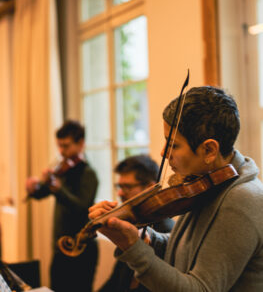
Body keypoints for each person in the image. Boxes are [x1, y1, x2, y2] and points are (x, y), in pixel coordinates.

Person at [89, 86, 263, 292]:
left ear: (209, 150)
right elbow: (187, 250)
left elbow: (200, 288)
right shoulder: (209, 183)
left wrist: (133, 249)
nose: (163, 152)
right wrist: (144, 238)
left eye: (173, 144)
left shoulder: (241, 201)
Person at [26, 120, 98, 292]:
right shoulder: (63, 170)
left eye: (66, 146)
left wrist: (59, 190)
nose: (61, 152)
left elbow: (81, 207)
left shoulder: (88, 174)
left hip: (81, 248)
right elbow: (43, 193)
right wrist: (34, 188)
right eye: (59, 146)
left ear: (80, 144)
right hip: (60, 246)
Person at [98, 154, 174, 292]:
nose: (120, 193)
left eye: (127, 186)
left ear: (150, 188)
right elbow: (115, 282)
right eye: (119, 186)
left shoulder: (166, 231)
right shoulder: (133, 225)